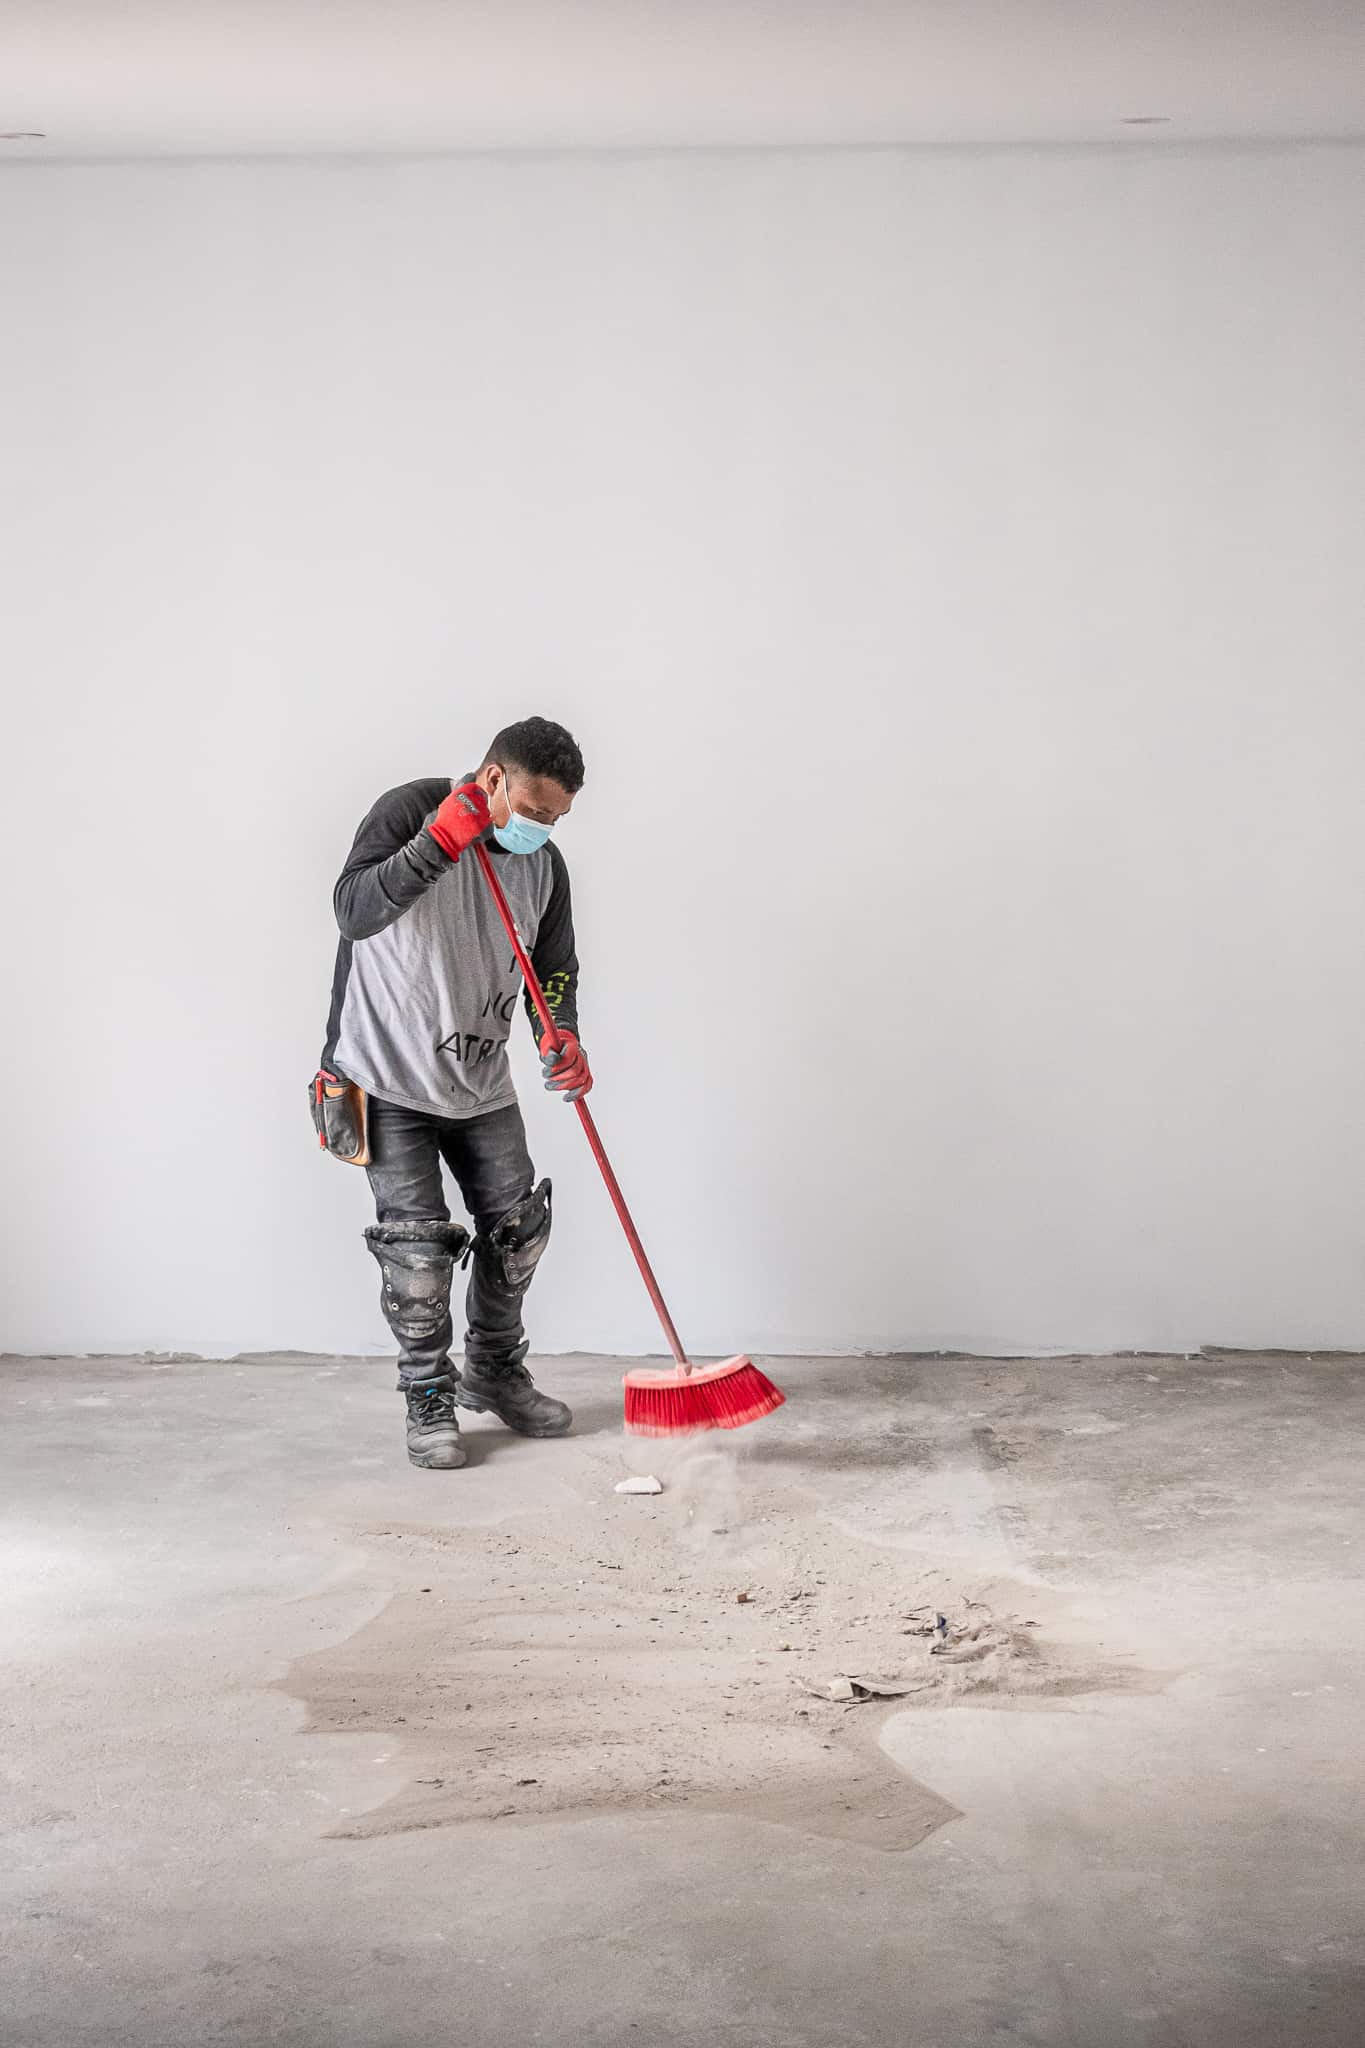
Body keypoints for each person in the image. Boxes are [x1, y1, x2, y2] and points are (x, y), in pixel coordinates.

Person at [318, 716, 590, 1470]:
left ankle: (494, 1371)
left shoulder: (544, 864)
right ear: (493, 779)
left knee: (517, 1232)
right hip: (387, 1073)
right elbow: (353, 912)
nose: (543, 828)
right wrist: (438, 842)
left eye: (557, 817)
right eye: (533, 810)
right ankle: (427, 1394)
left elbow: (553, 967)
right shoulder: (409, 810)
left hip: (480, 1078)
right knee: (417, 1253)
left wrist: (560, 1032)